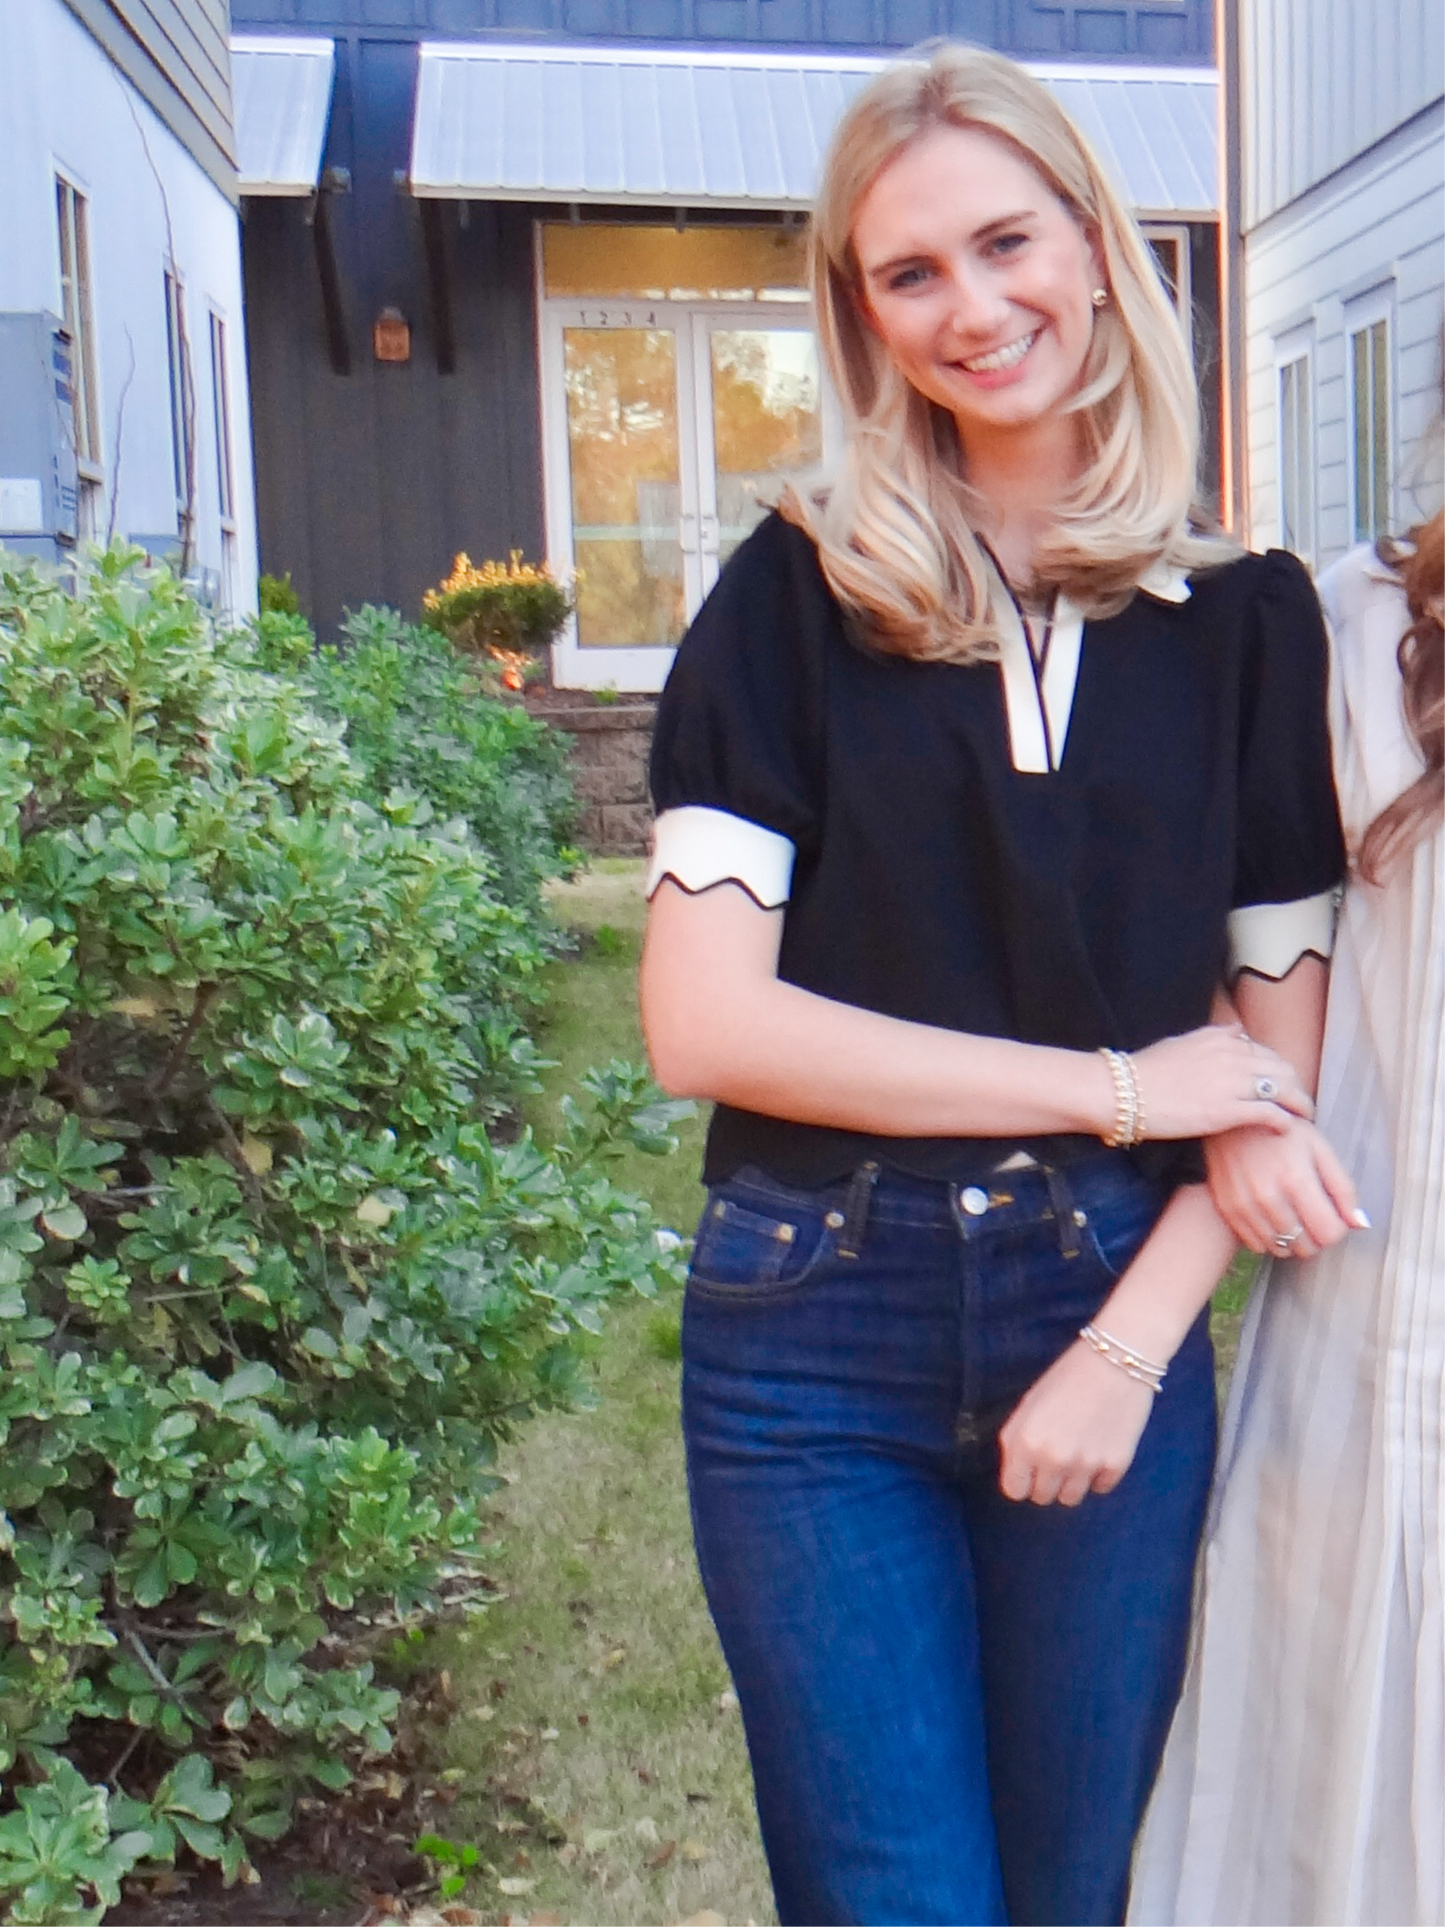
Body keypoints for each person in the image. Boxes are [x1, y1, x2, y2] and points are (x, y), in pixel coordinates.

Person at [637, 44, 1350, 1927]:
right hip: (813, 1329)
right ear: (860, 313)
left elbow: (1268, 1074)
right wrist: (1118, 1087)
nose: (975, 309)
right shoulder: (791, 595)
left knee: (1078, 1888)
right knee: (895, 1897)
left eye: (1006, 242)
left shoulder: (1245, 619)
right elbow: (702, 1023)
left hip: (1107, 1292)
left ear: (1096, 249)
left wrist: (1128, 1345)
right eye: (910, 274)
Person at [1127, 324, 1445, 1927]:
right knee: (1324, 1808)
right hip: (1374, 1318)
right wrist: (1243, 1100)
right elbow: (1197, 913)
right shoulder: (1356, 624)